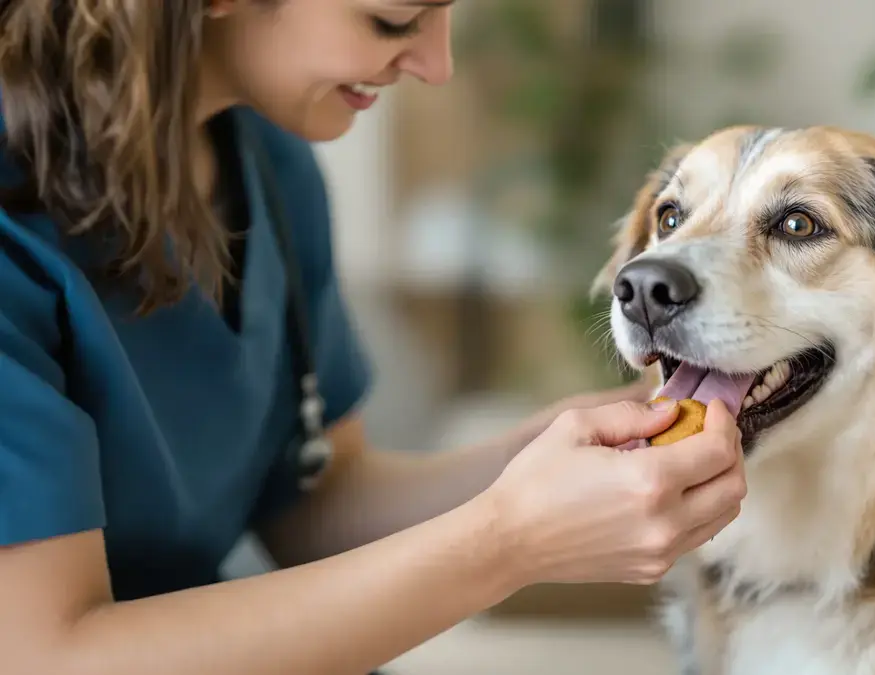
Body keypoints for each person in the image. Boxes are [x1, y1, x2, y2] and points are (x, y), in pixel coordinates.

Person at [0, 1, 748, 673]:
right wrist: (507, 542)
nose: (436, 64)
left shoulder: (265, 157)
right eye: (393, 20)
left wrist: (562, 444)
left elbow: (317, 501)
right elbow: (47, 655)